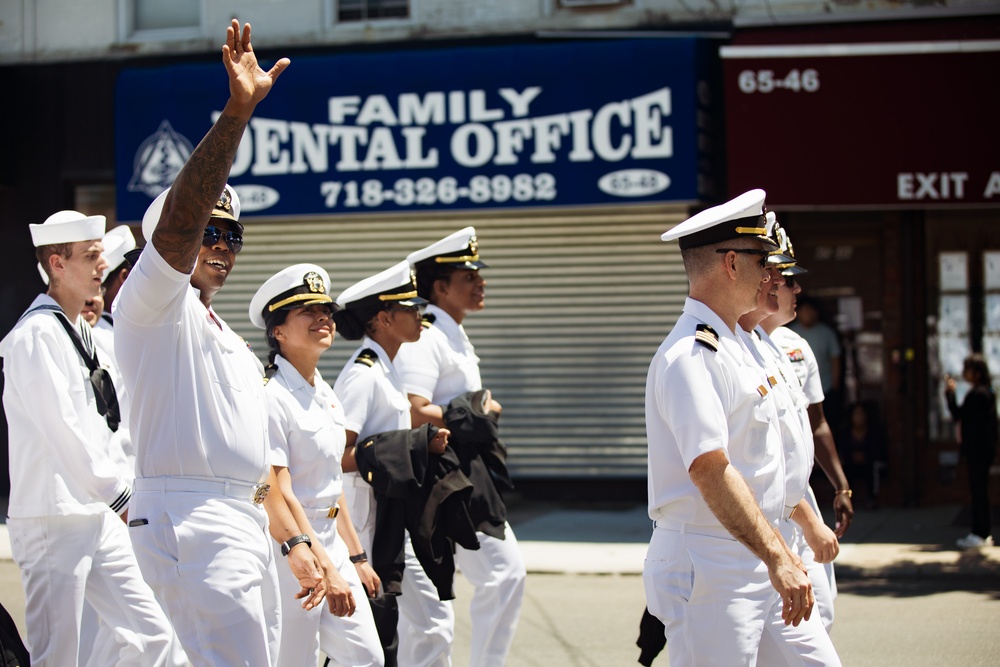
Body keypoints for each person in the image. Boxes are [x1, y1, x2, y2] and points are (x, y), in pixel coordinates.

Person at [112, 20, 311, 666]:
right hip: (189, 516)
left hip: (239, 518)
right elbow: (176, 229)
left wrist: (291, 540)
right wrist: (236, 114)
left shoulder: (222, 335)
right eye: (211, 232)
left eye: (234, 237)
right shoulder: (152, 303)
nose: (222, 246)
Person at [643, 189, 838, 667]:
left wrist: (780, 549)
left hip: (757, 550)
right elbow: (711, 470)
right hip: (713, 564)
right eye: (761, 260)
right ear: (731, 263)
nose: (771, 275)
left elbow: (768, 463)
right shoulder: (691, 356)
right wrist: (776, 556)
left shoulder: (737, 344)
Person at [0, 210, 182, 666]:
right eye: (91, 256)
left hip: (95, 511)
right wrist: (120, 497)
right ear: (57, 264)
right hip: (53, 515)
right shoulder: (35, 334)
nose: (103, 266)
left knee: (154, 636)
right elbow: (65, 431)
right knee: (57, 654)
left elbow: (108, 425)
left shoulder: (77, 329)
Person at [395, 227, 526, 667]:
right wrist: (475, 414)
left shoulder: (452, 332)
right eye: (469, 276)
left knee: (441, 595)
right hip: (446, 472)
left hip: (469, 470)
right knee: (500, 574)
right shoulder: (428, 334)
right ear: (440, 287)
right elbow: (411, 410)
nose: (480, 282)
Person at [248, 264, 385, 666]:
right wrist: (324, 564)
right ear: (278, 331)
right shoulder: (271, 396)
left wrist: (356, 558)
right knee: (295, 659)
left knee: (366, 658)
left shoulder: (322, 391)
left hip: (332, 541)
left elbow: (332, 481)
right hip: (292, 547)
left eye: (325, 310)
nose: (323, 317)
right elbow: (277, 489)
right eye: (307, 311)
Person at [332, 261, 453, 667]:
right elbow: (338, 456)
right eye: (410, 308)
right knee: (372, 634)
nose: (420, 314)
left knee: (425, 623)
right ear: (384, 319)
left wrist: (418, 446)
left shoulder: (386, 367)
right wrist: (406, 447)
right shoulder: (363, 375)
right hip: (368, 524)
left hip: (394, 516)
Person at [741, 221, 842, 646]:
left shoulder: (774, 347)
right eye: (779, 276)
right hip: (762, 524)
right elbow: (742, 464)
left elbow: (806, 430)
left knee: (819, 623)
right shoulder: (722, 349)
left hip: (789, 510)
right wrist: (809, 523)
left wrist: (837, 490)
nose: (788, 287)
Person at [945, 354, 998, 548]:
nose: (964, 373)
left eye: (967, 369)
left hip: (978, 451)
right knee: (979, 491)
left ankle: (980, 533)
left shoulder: (979, 395)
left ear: (976, 373)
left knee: (979, 492)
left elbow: (959, 414)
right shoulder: (986, 393)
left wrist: (950, 393)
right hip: (981, 451)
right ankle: (980, 531)